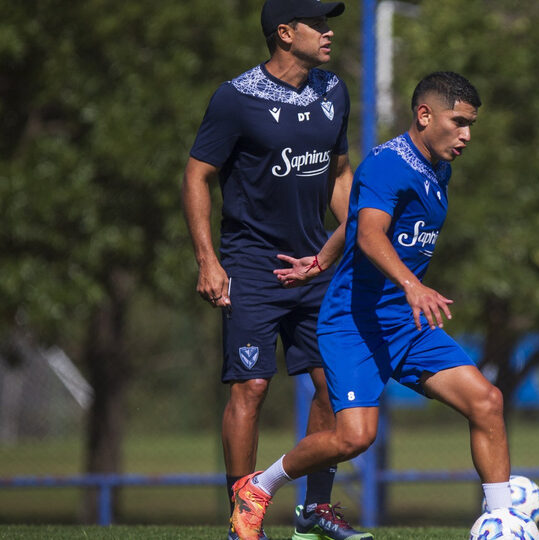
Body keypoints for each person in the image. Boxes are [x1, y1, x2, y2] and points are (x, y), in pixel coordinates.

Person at [226, 71, 517, 540]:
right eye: (458, 122)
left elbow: (359, 215)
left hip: (406, 323)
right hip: (355, 324)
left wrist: (320, 260)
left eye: (471, 125)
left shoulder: (439, 165)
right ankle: (257, 488)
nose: (466, 135)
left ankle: (505, 524)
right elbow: (369, 231)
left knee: (487, 401)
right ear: (424, 115)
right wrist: (411, 284)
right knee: (354, 438)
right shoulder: (388, 163)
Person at [181, 1, 370, 539]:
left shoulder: (333, 91)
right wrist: (207, 260)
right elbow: (197, 176)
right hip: (251, 266)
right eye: (318, 24)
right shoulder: (235, 99)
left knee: (334, 388)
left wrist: (362, 238)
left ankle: (315, 509)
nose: (329, 32)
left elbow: (338, 174)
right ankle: (243, 513)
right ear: (285, 34)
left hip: (316, 267)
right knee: (252, 387)